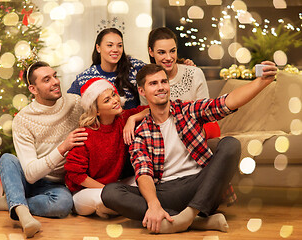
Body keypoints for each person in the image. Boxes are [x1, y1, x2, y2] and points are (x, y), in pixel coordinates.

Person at [102, 62, 277, 234]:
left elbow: (226, 103)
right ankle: (197, 222)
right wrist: (154, 204)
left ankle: (188, 216)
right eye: (153, 83)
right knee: (110, 192)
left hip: (200, 185)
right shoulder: (140, 132)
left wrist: (261, 82)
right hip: (165, 192)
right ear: (142, 91)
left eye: (164, 81)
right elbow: (143, 172)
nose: (161, 87)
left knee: (231, 144)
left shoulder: (188, 110)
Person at [0, 61, 88, 238]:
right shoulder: (24, 119)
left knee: (64, 205)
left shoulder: (75, 103)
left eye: (55, 76)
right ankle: (25, 217)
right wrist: (63, 147)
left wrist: (135, 116)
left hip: (55, 184)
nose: (55, 82)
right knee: (7, 159)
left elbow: (104, 108)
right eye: (47, 80)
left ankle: (13, 202)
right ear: (33, 89)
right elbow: (30, 174)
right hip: (30, 178)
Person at [64, 77, 148, 218]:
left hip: (114, 186)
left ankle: (115, 207)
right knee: (103, 199)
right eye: (107, 100)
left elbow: (151, 109)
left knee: (147, 181)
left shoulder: (122, 119)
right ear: (96, 111)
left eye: (113, 95)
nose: (115, 100)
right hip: (85, 192)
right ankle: (113, 206)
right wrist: (110, 190)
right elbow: (76, 175)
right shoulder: (85, 134)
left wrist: (132, 119)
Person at [144, 27, 220, 139]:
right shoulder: (146, 80)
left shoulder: (194, 73)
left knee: (229, 143)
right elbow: (148, 116)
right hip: (163, 137)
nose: (169, 58)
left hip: (196, 133)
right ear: (151, 52)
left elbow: (205, 113)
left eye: (172, 51)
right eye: (161, 52)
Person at [67, 28, 146, 110]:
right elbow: (69, 105)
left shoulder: (135, 67)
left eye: (119, 45)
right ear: (98, 48)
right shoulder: (85, 78)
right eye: (110, 45)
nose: (115, 50)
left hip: (136, 121)